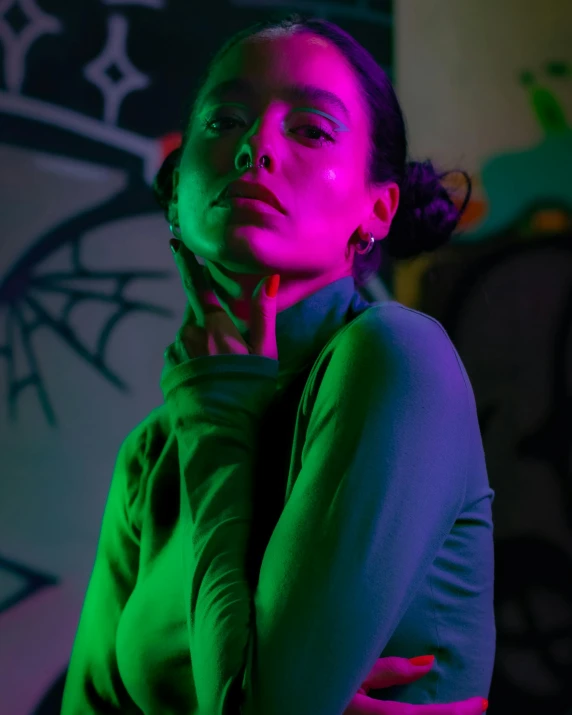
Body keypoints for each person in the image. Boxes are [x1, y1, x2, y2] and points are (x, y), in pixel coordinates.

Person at [60, 12, 495, 715]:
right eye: (224, 121)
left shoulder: (398, 360)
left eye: (311, 130)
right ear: (176, 192)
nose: (254, 147)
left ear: (378, 208)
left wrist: (220, 415)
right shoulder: (155, 451)